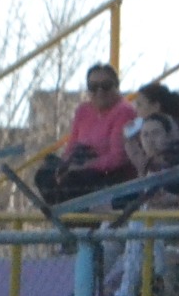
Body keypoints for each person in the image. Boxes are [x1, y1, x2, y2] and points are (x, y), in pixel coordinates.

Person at [34, 64, 137, 200]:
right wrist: (65, 165)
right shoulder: (83, 111)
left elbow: (118, 158)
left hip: (109, 174)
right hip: (80, 165)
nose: (99, 91)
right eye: (93, 87)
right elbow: (71, 145)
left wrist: (85, 166)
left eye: (105, 86)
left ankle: (70, 213)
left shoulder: (124, 112)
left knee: (74, 180)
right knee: (45, 173)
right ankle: (62, 211)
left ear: (116, 86)